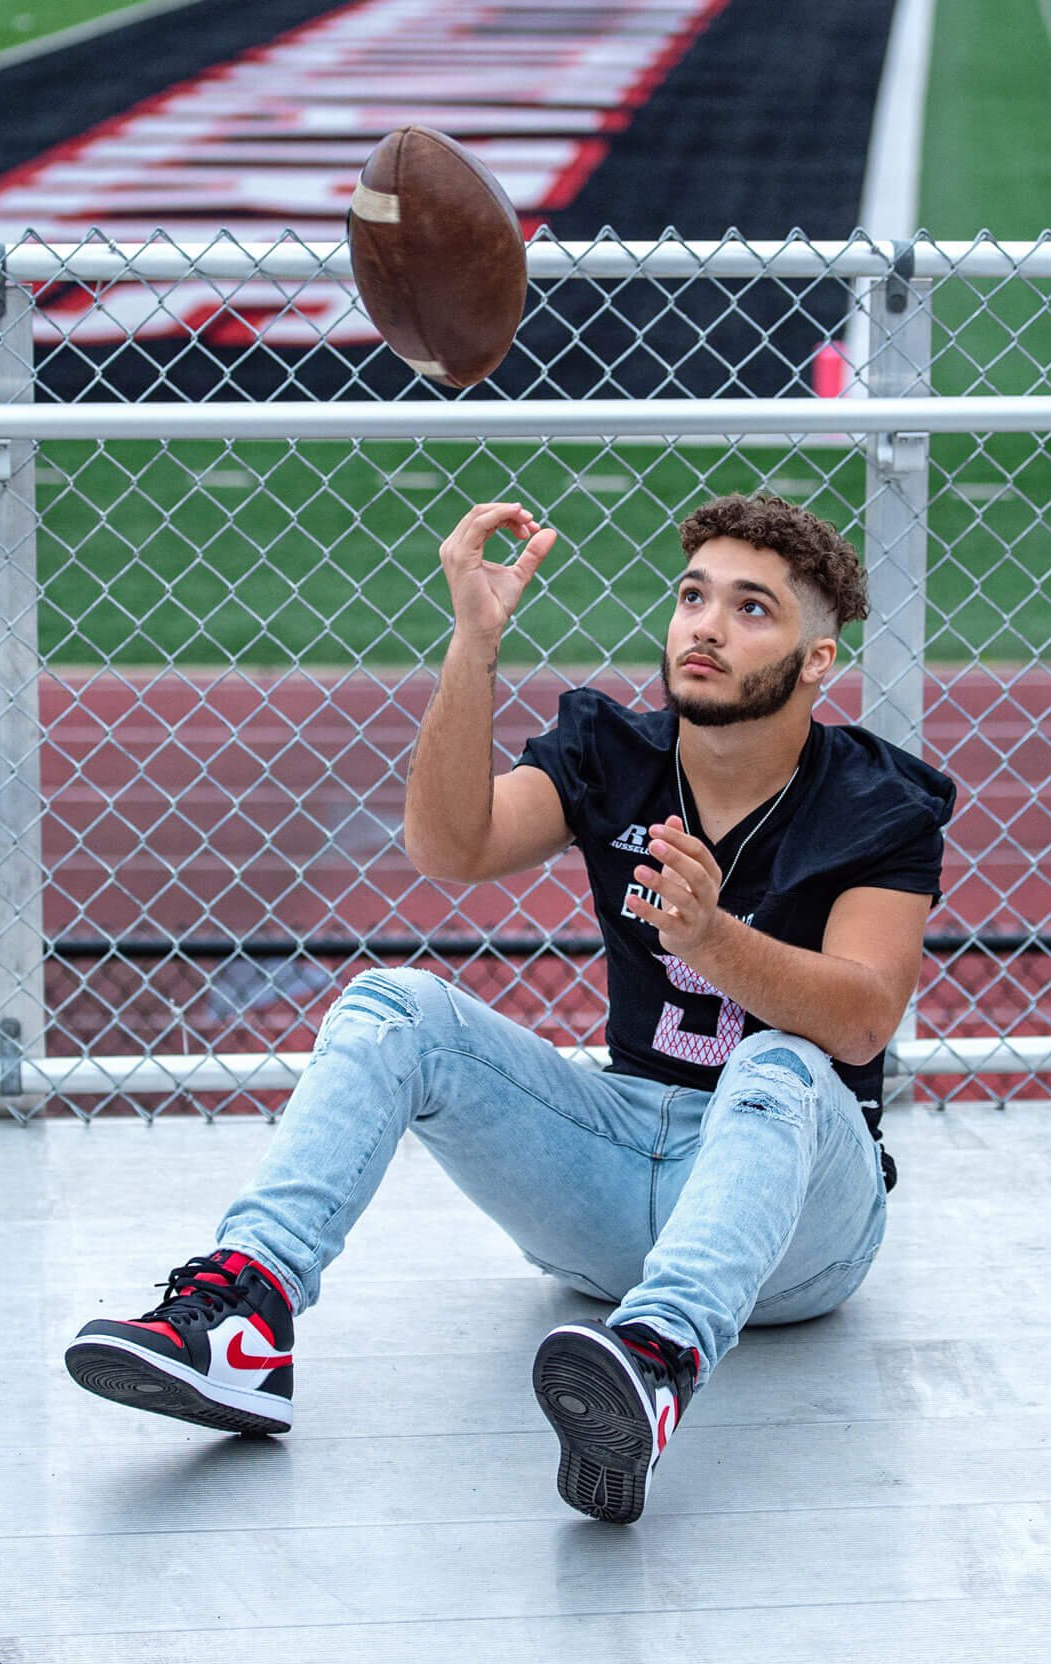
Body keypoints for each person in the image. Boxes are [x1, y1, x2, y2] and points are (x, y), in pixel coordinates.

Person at [65, 493, 956, 1523]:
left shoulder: (879, 799)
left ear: (816, 659)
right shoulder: (611, 749)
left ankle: (658, 1361)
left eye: (751, 608)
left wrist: (714, 938)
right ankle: (244, 1320)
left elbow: (859, 1019)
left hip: (798, 1225)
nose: (704, 624)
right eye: (691, 594)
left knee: (780, 1061)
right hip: (617, 1163)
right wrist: (471, 648)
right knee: (391, 1005)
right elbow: (452, 846)